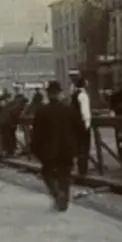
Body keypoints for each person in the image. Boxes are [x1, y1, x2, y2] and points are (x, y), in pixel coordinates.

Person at [31, 80, 77, 211]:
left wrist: (35, 150)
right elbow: (79, 129)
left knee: (48, 173)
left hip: (49, 150)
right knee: (65, 174)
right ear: (60, 93)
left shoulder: (42, 112)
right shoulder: (69, 110)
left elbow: (37, 134)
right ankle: (64, 199)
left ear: (48, 94)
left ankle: (57, 194)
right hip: (68, 148)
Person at [70, 76, 92, 175]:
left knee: (78, 147)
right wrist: (87, 124)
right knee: (84, 147)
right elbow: (85, 111)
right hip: (82, 124)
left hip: (74, 124)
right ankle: (83, 170)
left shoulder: (74, 95)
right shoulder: (83, 95)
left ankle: (79, 168)